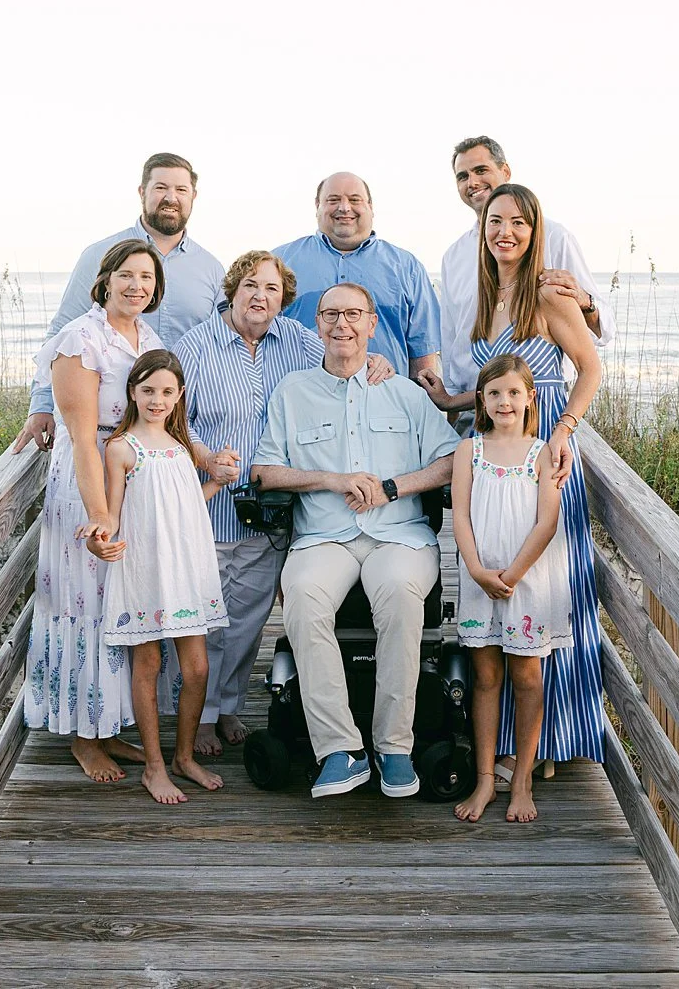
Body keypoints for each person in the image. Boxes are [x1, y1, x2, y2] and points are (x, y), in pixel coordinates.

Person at [172, 251, 394, 757]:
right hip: (209, 502)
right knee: (204, 617)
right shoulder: (197, 345)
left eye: (271, 289)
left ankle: (227, 706)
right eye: (251, 285)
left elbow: (343, 354)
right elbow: (173, 415)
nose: (260, 296)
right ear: (233, 289)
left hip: (271, 510)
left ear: (283, 299)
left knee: (247, 618)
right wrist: (205, 457)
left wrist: (378, 362)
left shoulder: (295, 340)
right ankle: (199, 715)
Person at [250, 283, 460, 800]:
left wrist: (394, 487)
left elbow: (452, 459)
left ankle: (394, 747)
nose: (341, 324)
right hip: (324, 537)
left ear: (371, 323)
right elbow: (264, 470)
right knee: (302, 595)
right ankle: (340, 750)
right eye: (330, 314)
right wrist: (330, 479)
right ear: (317, 324)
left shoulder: (404, 393)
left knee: (400, 595)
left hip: (399, 535)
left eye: (352, 314)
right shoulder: (292, 392)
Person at [434, 184, 607, 768]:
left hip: (545, 446)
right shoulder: (488, 299)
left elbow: (590, 368)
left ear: (535, 232)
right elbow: (500, 383)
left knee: (547, 588)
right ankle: (507, 744)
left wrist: (564, 431)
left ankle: (552, 742)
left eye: (518, 222)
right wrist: (450, 400)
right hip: (499, 452)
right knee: (503, 581)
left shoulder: (548, 293)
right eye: (495, 221)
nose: (504, 232)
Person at [22, 239, 165, 782]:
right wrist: (100, 513)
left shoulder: (148, 338)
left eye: (147, 278)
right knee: (84, 603)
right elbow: (83, 439)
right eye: (126, 275)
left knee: (119, 603)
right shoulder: (80, 341)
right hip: (86, 483)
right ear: (104, 281)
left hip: (129, 477)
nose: (136, 286)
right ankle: (83, 737)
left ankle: (109, 725)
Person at [93, 350, 235, 804]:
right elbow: (112, 514)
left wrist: (218, 482)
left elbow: (187, 500)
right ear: (133, 392)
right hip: (145, 569)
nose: (157, 400)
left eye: (167, 392)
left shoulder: (182, 445)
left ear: (179, 396)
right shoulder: (121, 448)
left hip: (186, 567)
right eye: (148, 390)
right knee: (149, 664)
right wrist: (98, 538)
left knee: (197, 668)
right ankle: (154, 766)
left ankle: (184, 756)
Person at [13, 153, 225, 455]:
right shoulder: (99, 255)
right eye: (161, 187)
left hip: (177, 423)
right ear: (142, 192)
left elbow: (217, 344)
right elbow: (63, 333)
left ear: (193, 196)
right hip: (104, 428)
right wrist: (42, 404)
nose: (171, 198)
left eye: (181, 190)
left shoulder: (211, 269)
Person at [448, 354, 570, 824]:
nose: (505, 401)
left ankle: (521, 779)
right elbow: (460, 516)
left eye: (514, 392)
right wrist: (477, 570)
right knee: (485, 677)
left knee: (527, 677)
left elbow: (547, 521)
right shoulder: (469, 451)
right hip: (481, 579)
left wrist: (514, 574)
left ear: (530, 398)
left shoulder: (542, 453)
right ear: (481, 400)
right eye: (495, 393)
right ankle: (485, 779)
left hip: (527, 580)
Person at [433, 136, 606, 412]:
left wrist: (585, 302)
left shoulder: (554, 237)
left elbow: (600, 337)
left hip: (539, 407)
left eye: (480, 170)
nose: (472, 182)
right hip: (474, 407)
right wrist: (451, 403)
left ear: (505, 171)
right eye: (462, 176)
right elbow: (451, 337)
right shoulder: (453, 256)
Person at [274, 172, 443, 388]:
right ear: (317, 206)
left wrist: (420, 402)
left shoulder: (407, 268)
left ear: (370, 207)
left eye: (354, 200)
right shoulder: (280, 264)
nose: (344, 208)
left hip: (386, 401)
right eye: (333, 199)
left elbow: (423, 351)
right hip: (303, 399)